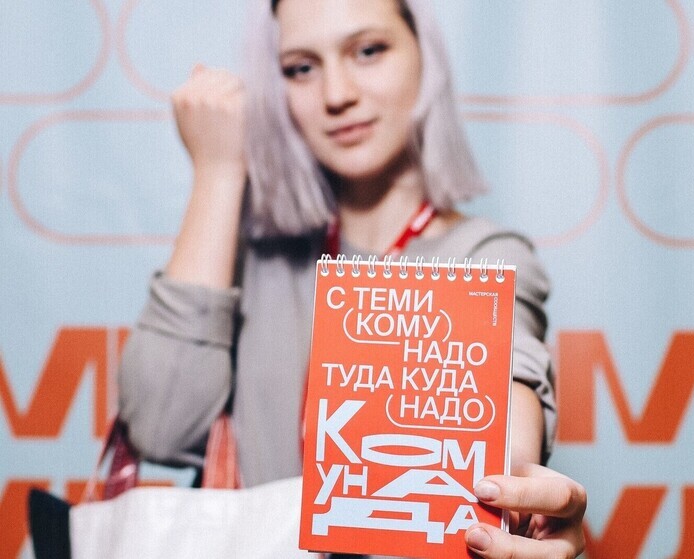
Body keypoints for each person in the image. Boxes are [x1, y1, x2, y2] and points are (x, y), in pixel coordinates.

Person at [117, 0, 587, 557]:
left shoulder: (484, 255)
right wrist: (219, 173)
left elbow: (511, 376)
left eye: (368, 51)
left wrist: (512, 471)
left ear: (424, 56)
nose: (337, 94)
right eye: (300, 68)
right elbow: (159, 428)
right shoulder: (252, 254)